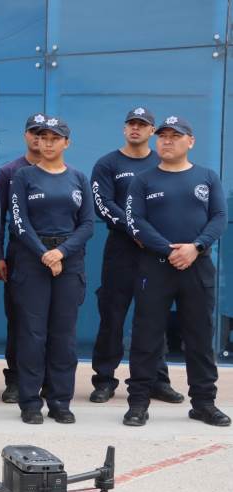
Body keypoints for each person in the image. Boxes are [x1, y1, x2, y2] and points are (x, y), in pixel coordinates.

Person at [123, 116, 230, 427]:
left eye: (175, 136)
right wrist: (169, 250)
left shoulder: (207, 177)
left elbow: (220, 217)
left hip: (197, 266)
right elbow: (136, 222)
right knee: (146, 337)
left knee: (198, 336)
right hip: (155, 267)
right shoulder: (142, 180)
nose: (167, 141)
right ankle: (138, 403)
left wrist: (194, 247)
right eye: (163, 136)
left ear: (190, 141)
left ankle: (204, 403)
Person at [89, 108, 183, 404]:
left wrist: (154, 239)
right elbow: (102, 205)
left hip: (155, 252)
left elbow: (172, 206)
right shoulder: (107, 163)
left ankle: (157, 379)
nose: (135, 129)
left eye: (142, 125)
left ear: (151, 131)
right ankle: (104, 380)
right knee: (112, 317)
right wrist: (136, 231)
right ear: (124, 128)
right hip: (121, 251)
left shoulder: (162, 162)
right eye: (131, 123)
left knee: (153, 317)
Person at [9, 117, 94, 424]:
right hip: (33, 260)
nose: (47, 142)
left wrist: (61, 252)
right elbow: (19, 222)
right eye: (43, 137)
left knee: (63, 336)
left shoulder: (79, 178)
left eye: (54, 138)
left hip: (68, 261)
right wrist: (45, 253)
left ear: (66, 143)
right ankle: (30, 402)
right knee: (32, 335)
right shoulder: (23, 176)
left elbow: (86, 224)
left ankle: (60, 401)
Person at [0, 113, 44, 403]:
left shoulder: (64, 173)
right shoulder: (9, 172)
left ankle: (47, 379)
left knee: (50, 322)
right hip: (20, 256)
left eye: (45, 134)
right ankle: (15, 379)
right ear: (25, 135)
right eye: (34, 132)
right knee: (20, 320)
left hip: (56, 256)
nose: (39, 138)